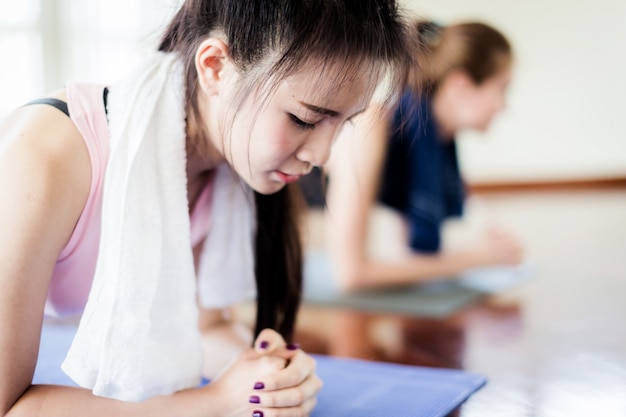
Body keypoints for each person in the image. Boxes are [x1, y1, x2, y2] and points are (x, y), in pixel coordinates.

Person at [0, 1, 410, 416]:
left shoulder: (221, 166)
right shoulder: (46, 155)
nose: (322, 155)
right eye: (304, 119)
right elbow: (6, 405)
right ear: (215, 67)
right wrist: (212, 403)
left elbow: (207, 328)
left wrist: (269, 375)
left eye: (344, 124)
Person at [315, 20, 524, 292]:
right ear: (460, 86)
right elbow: (351, 274)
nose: (503, 106)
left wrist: (487, 251)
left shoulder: (437, 143)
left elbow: (410, 254)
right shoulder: (372, 124)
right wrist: (476, 258)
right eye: (501, 89)